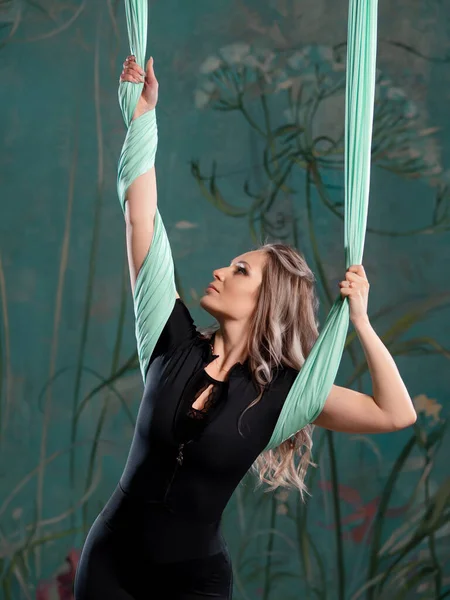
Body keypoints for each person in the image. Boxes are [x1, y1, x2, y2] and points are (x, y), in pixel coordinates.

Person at [74, 55, 417, 600]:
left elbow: (396, 413)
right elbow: (142, 220)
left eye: (240, 270)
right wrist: (142, 119)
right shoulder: (170, 340)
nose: (219, 271)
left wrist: (361, 323)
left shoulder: (286, 394)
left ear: (268, 301)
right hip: (113, 563)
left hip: (193, 582)